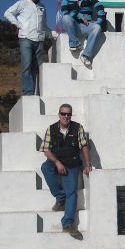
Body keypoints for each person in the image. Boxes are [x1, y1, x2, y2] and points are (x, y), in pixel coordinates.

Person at [40, 103, 92, 240]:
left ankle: (68, 223)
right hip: (56, 161)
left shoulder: (77, 128)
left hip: (72, 164)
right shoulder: (51, 129)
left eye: (68, 114)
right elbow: (46, 149)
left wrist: (88, 164)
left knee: (72, 192)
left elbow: (84, 146)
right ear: (59, 115)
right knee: (45, 167)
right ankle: (60, 197)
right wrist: (57, 162)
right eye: (63, 113)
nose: (66, 116)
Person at [4, 0, 58, 96]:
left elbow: (44, 26)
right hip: (26, 39)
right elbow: (8, 13)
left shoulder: (42, 7)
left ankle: (36, 93)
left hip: (39, 40)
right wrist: (18, 24)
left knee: (37, 69)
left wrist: (54, 35)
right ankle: (27, 93)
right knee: (27, 65)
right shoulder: (22, 3)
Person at [60, 0, 106, 67]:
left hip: (86, 26)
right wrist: (80, 16)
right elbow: (65, 12)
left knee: (97, 27)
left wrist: (98, 21)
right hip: (73, 27)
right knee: (66, 18)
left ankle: (86, 55)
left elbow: (100, 7)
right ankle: (74, 44)